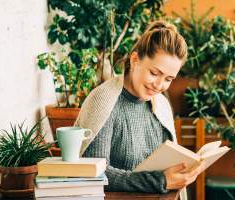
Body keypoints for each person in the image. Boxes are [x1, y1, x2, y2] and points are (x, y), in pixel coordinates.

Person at [74, 20, 203, 198]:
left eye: (168, 79)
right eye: (154, 73)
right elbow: (95, 173)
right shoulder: (103, 101)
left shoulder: (161, 105)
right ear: (135, 60)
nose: (159, 85)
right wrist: (159, 181)